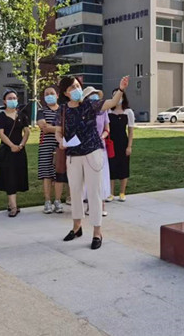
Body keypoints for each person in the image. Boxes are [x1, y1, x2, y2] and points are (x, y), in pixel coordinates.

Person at [56, 75, 130, 250]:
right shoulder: (63, 110)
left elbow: (112, 102)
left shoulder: (90, 104)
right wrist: (60, 141)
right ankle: (77, 227)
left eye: (77, 86)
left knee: (94, 192)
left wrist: (121, 89)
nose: (76, 89)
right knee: (75, 192)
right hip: (73, 155)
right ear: (65, 93)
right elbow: (59, 131)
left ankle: (97, 232)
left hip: (92, 152)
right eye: (72, 88)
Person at [0, 90, 30, 217]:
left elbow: (27, 131)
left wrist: (21, 145)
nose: (12, 100)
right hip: (7, 150)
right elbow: (1, 134)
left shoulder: (22, 115)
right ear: (4, 101)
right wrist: (12, 146)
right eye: (9, 98)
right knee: (9, 177)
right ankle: (14, 207)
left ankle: (11, 203)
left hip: (20, 150)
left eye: (14, 98)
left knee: (17, 176)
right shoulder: (0, 116)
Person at [82, 87, 110, 218]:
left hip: (100, 147)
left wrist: (102, 136)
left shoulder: (103, 111)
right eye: (91, 95)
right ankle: (90, 204)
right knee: (89, 176)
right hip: (87, 148)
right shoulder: (83, 112)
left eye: (95, 95)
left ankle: (102, 204)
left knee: (102, 175)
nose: (94, 98)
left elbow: (107, 129)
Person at [37, 86, 64, 214]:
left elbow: (67, 127)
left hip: (60, 145)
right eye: (46, 94)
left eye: (52, 93)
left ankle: (58, 200)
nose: (49, 96)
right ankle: (47, 201)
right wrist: (59, 128)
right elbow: (44, 127)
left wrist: (52, 127)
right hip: (46, 146)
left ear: (57, 95)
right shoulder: (41, 111)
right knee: (46, 174)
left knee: (59, 173)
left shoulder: (63, 110)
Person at [108, 88, 135, 202]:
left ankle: (122, 193)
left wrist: (129, 146)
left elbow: (131, 131)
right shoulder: (108, 111)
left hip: (123, 143)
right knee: (111, 167)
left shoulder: (128, 112)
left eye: (119, 95)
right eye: (115, 95)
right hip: (111, 143)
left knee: (123, 167)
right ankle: (110, 193)